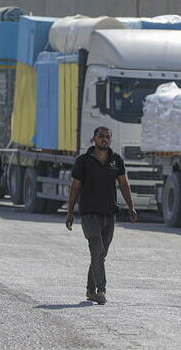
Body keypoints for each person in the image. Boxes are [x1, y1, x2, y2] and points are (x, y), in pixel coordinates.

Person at [66, 126, 137, 305]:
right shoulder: (83, 161)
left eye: (107, 137)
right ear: (94, 139)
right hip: (89, 214)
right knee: (97, 251)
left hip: (109, 214)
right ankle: (101, 290)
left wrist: (131, 207)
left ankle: (90, 290)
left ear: (110, 140)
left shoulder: (116, 160)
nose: (104, 139)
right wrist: (69, 212)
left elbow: (123, 184)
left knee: (100, 255)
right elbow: (75, 187)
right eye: (101, 136)